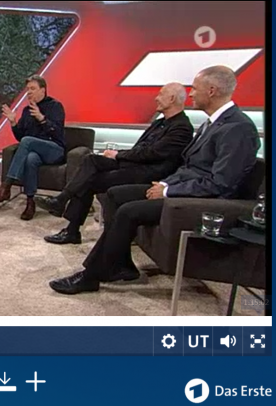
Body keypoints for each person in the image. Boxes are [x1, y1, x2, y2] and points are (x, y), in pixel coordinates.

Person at [49, 65, 260, 295]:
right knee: (116, 194)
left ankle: (90, 276)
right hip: (180, 186)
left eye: (194, 88)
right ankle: (121, 265)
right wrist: (167, 184)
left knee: (128, 211)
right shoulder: (212, 124)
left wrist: (168, 191)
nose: (190, 94)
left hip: (201, 201)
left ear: (211, 91)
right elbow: (187, 167)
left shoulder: (238, 128)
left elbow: (221, 184)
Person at [36, 82, 194, 244]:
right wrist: (118, 155)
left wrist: (118, 155)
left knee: (88, 180)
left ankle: (70, 225)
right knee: (91, 160)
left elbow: (152, 153)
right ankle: (62, 202)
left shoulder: (182, 127)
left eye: (160, 94)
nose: (156, 98)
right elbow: (139, 149)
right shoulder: (159, 123)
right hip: (136, 165)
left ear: (172, 98)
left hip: (150, 173)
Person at [0, 75, 66, 220]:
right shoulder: (27, 110)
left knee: (28, 142)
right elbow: (21, 138)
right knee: (30, 159)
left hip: (54, 149)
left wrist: (42, 118)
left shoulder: (55, 106)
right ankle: (30, 203)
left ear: (43, 90)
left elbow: (58, 132)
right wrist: (13, 122)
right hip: (35, 152)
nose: (29, 92)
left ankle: (6, 186)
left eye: (33, 89)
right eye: (28, 89)